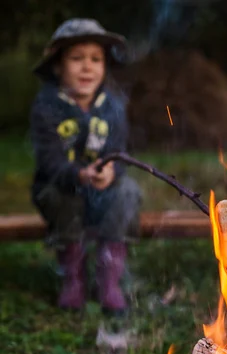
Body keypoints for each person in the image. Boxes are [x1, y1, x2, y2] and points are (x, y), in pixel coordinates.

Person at [31, 19, 142, 314]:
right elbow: (49, 159)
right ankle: (73, 276)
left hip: (103, 193)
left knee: (128, 191)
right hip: (61, 188)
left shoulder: (113, 107)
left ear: (105, 66)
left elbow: (119, 150)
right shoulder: (47, 106)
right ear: (57, 66)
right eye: (76, 58)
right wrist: (79, 174)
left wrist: (111, 171)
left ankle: (110, 276)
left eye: (95, 59)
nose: (87, 67)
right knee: (62, 196)